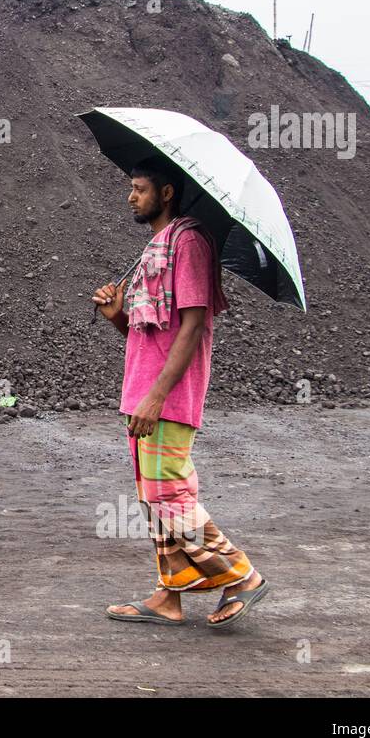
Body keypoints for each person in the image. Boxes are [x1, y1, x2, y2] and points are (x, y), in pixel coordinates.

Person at [91, 155, 269, 628]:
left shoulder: (188, 242)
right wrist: (117, 318)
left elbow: (193, 326)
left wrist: (156, 397)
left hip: (165, 396)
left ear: (166, 193)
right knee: (154, 496)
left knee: (170, 492)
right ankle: (169, 596)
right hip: (142, 390)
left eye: (139, 188)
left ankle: (242, 575)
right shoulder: (159, 245)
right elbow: (149, 333)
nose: (131, 196)